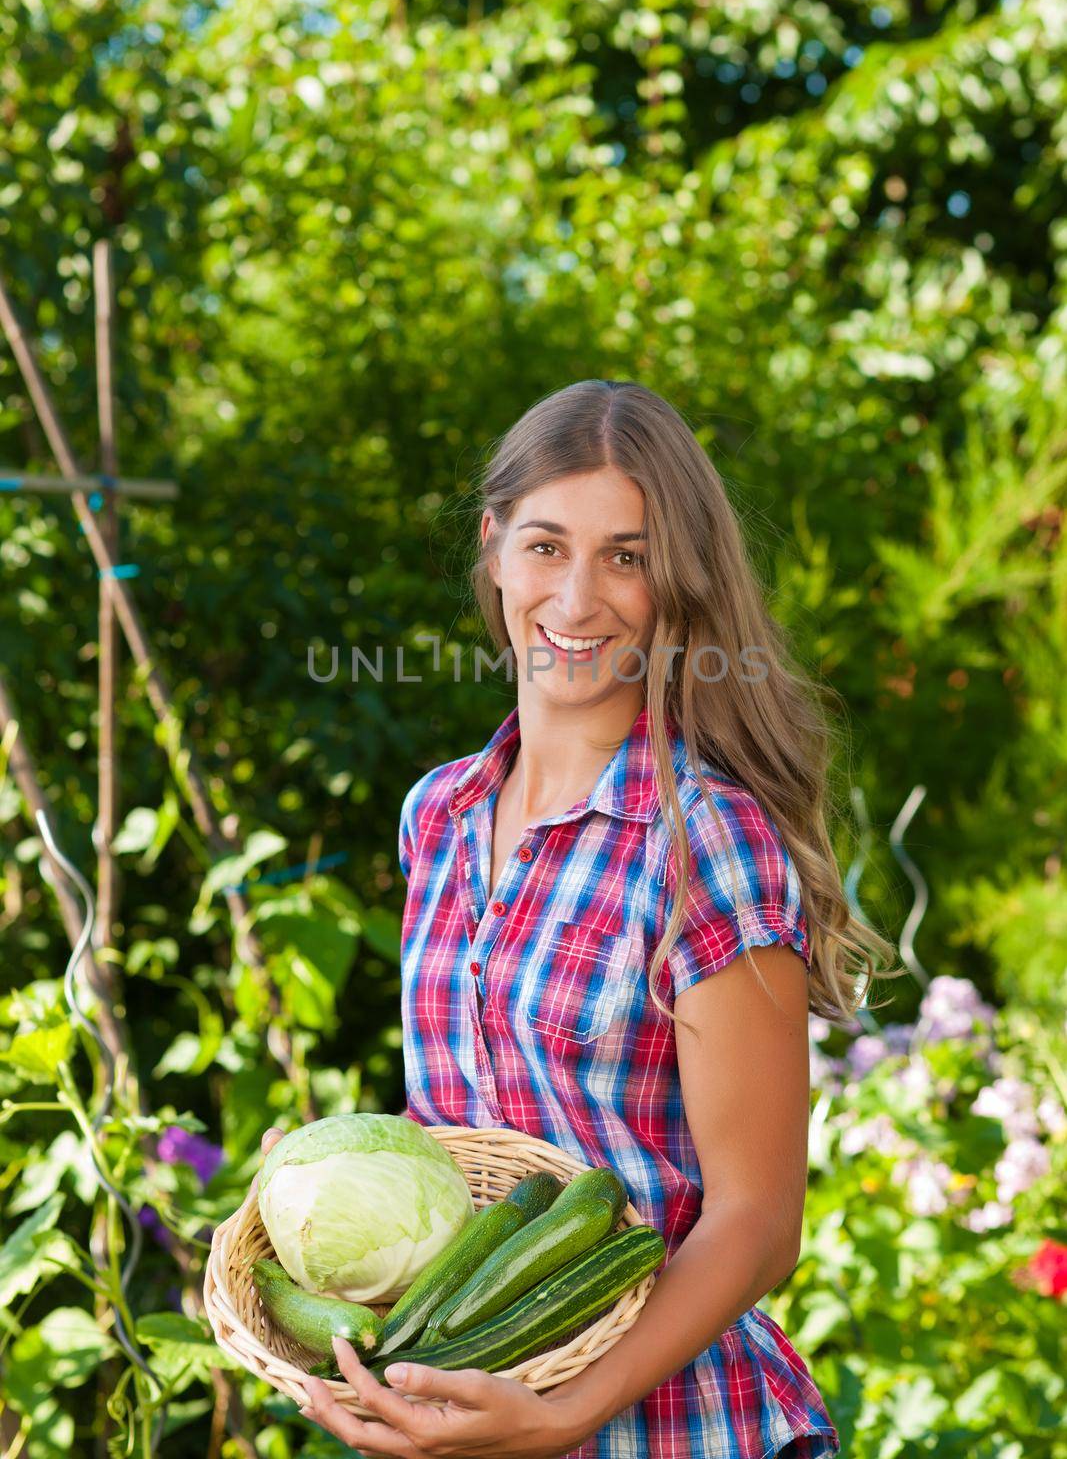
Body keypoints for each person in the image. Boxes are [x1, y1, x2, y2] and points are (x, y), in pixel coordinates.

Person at [276, 380, 895, 1456]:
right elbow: (462, 1153)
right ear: (494, 549)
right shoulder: (439, 817)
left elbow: (756, 1225)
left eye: (626, 556)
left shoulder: (706, 841)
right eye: (546, 546)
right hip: (474, 1422)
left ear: (676, 583)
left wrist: (564, 1411)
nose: (575, 599)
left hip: (679, 1429)